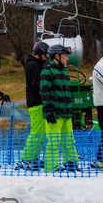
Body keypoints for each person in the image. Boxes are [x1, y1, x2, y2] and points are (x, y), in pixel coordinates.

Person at [40, 44, 79, 172]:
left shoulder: (63, 71)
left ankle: (71, 163)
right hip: (55, 113)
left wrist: (71, 111)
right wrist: (49, 110)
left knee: (69, 141)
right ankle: (52, 167)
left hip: (66, 113)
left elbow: (67, 93)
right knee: (54, 142)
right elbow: (44, 91)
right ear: (56, 56)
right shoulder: (47, 70)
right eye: (64, 56)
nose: (67, 59)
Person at [17, 41, 49, 170]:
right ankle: (27, 158)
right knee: (37, 131)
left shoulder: (38, 64)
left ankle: (34, 157)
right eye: (46, 54)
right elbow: (37, 84)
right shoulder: (33, 65)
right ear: (41, 53)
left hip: (39, 102)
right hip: (36, 103)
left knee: (41, 131)